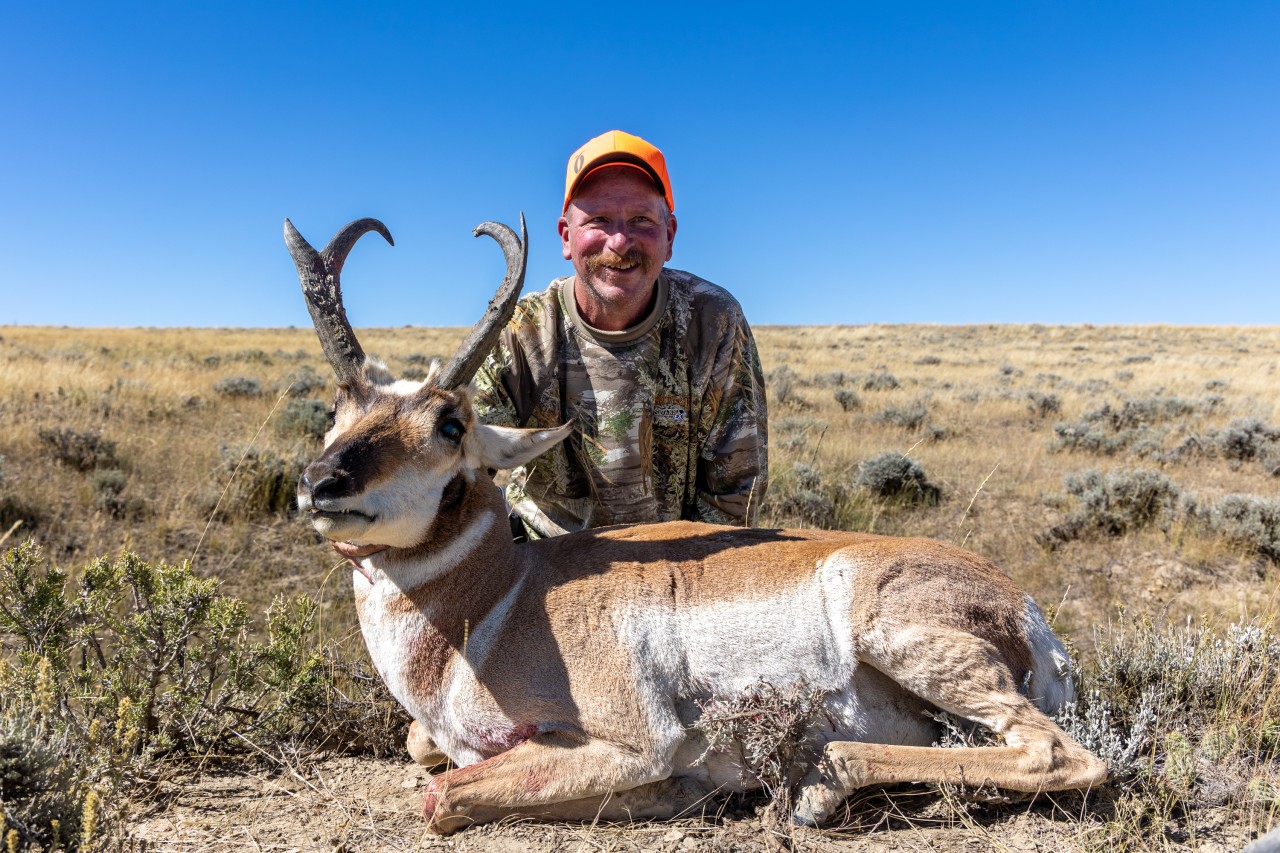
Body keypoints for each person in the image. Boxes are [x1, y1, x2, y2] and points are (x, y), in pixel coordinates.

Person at [472, 130, 768, 539]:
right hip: (545, 568)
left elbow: (735, 495)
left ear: (669, 237)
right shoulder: (522, 331)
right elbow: (461, 459)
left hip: (677, 572)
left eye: (641, 220)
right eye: (598, 220)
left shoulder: (713, 320)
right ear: (566, 237)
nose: (620, 241)